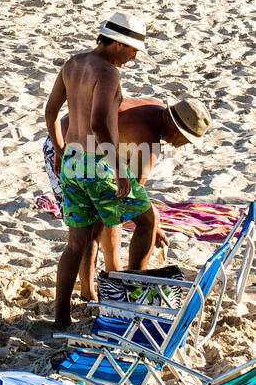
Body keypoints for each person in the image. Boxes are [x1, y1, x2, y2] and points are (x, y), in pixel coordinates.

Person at [44, 10, 154, 329]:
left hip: (72, 162)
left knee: (76, 243)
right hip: (97, 163)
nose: (134, 57)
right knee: (147, 221)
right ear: (118, 44)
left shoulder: (73, 63)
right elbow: (100, 125)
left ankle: (61, 317)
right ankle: (133, 295)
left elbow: (51, 111)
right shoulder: (108, 73)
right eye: (134, 50)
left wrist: (60, 149)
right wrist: (119, 169)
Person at [42, 96, 211, 299]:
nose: (184, 145)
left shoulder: (155, 106)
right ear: (176, 130)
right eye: (187, 139)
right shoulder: (149, 138)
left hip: (80, 145)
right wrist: (153, 224)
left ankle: (100, 285)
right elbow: (130, 196)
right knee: (92, 227)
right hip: (62, 147)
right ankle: (130, 287)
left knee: (96, 222)